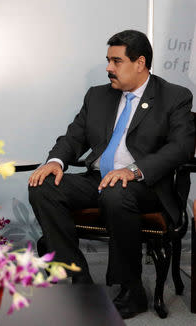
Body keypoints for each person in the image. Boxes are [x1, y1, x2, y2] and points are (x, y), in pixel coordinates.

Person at [28, 30, 194, 319]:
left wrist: (133, 171)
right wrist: (55, 161)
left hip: (146, 186)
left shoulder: (174, 96)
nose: (108, 68)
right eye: (108, 61)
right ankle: (78, 279)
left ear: (140, 63)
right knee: (44, 186)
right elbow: (73, 137)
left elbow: (181, 147)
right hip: (99, 180)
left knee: (118, 191)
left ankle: (131, 288)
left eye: (116, 61)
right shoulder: (97, 96)